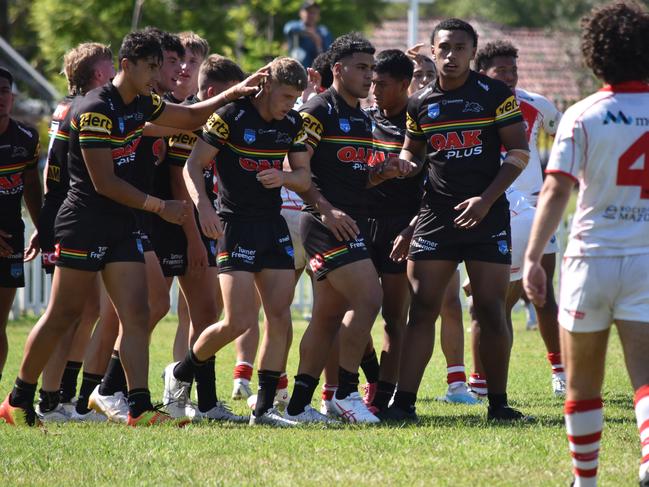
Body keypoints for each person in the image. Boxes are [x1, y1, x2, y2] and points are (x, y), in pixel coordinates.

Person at [0, 30, 266, 427]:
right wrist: (161, 206)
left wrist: (231, 95)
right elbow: (105, 183)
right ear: (127, 66)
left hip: (122, 224)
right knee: (65, 312)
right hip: (85, 222)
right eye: (153, 66)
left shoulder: (142, 103)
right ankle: (18, 399)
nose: (160, 74)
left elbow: (191, 117)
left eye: (161, 65)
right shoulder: (93, 109)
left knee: (137, 314)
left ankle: (138, 408)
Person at [380, 18, 530, 422]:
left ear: (472, 52)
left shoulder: (496, 94)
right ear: (432, 52)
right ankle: (404, 404)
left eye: (460, 48)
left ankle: (498, 405)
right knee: (423, 307)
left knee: (489, 309)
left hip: (487, 214)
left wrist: (485, 199)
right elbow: (414, 154)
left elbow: (519, 153)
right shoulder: (419, 102)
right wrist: (402, 165)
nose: (451, 55)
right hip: (436, 218)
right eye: (444, 47)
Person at [523, 3, 649, 485]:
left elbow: (556, 189)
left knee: (582, 382)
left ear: (594, 55)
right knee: (643, 374)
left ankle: (587, 481)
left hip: (591, 260)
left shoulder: (583, 114)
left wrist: (533, 257)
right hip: (644, 259)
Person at [163, 56, 312, 427]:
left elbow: (305, 176)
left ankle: (263, 410)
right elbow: (192, 165)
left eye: (296, 98)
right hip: (234, 225)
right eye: (286, 96)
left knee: (279, 316)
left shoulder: (292, 123)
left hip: (272, 226)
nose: (290, 105)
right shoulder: (232, 115)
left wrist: (285, 177)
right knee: (238, 321)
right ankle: (180, 373)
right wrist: (204, 210)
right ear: (267, 87)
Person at [282, 33, 411, 424]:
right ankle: (347, 394)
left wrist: (382, 172)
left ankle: (299, 405)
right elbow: (295, 170)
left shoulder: (360, 115)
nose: (369, 76)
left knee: (326, 316)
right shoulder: (318, 110)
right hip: (325, 223)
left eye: (372, 69)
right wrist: (326, 210)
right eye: (361, 68)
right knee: (369, 299)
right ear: (337, 70)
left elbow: (353, 176)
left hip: (345, 219)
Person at [160, 54, 248, 423]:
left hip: (204, 227)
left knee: (206, 314)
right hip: (181, 229)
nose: (236, 104)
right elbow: (179, 181)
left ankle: (206, 401)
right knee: (143, 311)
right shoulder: (192, 122)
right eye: (231, 96)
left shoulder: (217, 122)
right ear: (212, 92)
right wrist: (194, 238)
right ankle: (106, 391)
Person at [475, 39, 566, 397]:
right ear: (484, 72)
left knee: (543, 294)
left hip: (535, 210)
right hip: (492, 208)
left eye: (514, 69)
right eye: (502, 70)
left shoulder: (537, 104)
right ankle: (480, 383)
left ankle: (559, 370)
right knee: (490, 302)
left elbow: (565, 143)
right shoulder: (471, 104)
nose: (510, 76)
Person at [36, 42, 114, 422]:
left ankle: (66, 395)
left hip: (91, 220)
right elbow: (55, 170)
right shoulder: (74, 110)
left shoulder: (97, 107)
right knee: (64, 313)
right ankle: (47, 399)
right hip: (71, 219)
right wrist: (48, 222)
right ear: (99, 74)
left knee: (91, 309)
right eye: (112, 67)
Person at [0, 67, 41, 386]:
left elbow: (31, 185)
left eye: (4, 91)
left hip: (12, 238)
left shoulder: (26, 138)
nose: (0, 98)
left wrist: (41, 226)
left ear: (12, 97)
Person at [284, 1, 332, 68]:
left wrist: (318, 44)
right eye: (308, 11)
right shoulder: (294, 25)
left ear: (318, 15)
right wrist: (310, 33)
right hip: (296, 71)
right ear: (300, 13)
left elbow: (328, 54)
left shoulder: (323, 32)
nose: (311, 15)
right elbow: (288, 29)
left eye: (314, 12)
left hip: (315, 72)